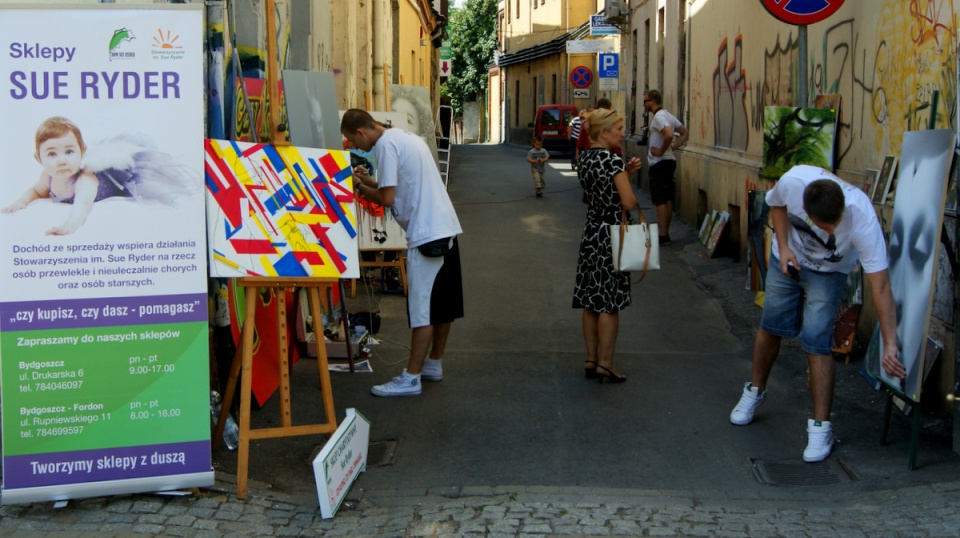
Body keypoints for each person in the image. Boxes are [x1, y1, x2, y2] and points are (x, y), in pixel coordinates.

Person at [729, 165, 903, 462]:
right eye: (826, 226)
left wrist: (890, 343)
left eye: (836, 224)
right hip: (789, 257)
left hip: (830, 273)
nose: (833, 232)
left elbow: (882, 286)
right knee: (770, 324)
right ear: (807, 211)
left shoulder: (862, 218)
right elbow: (776, 206)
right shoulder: (793, 182)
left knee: (817, 340)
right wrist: (784, 247)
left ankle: (821, 426)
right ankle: (755, 390)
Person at [340, 109, 464, 398]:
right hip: (444, 226)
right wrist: (368, 181)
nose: (355, 147)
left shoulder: (384, 146)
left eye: (352, 141)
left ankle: (411, 378)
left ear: (361, 131)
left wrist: (358, 186)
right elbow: (393, 187)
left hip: (426, 233)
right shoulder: (403, 137)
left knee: (422, 310)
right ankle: (433, 364)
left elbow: (386, 199)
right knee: (442, 304)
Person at [2, 116, 192, 235]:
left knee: (140, 171)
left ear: (82, 151)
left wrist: (70, 225)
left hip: (118, 182)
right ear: (38, 158)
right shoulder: (47, 177)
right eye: (52, 154)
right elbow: (35, 191)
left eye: (69, 152)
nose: (62, 160)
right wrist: (19, 203)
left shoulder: (85, 179)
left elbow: (83, 204)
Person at [573, 108, 642, 384]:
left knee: (591, 300)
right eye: (618, 129)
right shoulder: (612, 161)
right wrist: (626, 179)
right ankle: (606, 363)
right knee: (609, 304)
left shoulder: (587, 158)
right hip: (613, 234)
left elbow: (596, 195)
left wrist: (626, 173)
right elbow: (627, 202)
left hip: (592, 232)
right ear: (603, 132)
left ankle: (591, 358)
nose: (623, 133)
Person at [642, 89, 688, 245]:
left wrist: (662, 150)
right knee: (666, 198)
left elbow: (669, 134)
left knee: (660, 199)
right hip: (668, 161)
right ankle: (665, 233)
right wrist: (672, 149)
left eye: (645, 101)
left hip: (659, 163)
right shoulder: (667, 115)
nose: (644, 104)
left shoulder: (659, 117)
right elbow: (684, 132)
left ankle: (663, 235)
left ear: (653, 101)